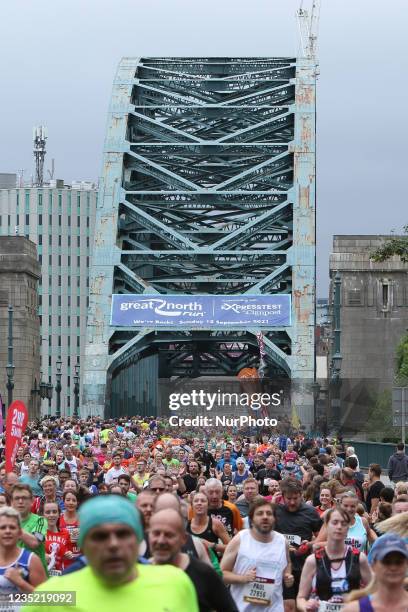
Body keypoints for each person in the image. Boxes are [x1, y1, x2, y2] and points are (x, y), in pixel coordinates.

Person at [31, 495, 199, 612]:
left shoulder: (175, 582)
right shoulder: (51, 596)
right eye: (100, 536)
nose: (113, 544)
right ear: (83, 544)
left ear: (139, 539)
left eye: (123, 534)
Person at [150, 508, 237, 612]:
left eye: (169, 535)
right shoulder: (138, 571)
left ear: (184, 539)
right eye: (156, 533)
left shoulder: (204, 574)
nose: (161, 541)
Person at [221, 498, 294, 611]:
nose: (265, 517)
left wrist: (287, 575)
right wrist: (243, 578)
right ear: (252, 519)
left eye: (269, 513)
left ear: (274, 519)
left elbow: (287, 562)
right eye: (260, 513)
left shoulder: (281, 540)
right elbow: (221, 574)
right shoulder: (240, 539)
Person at [296, 507, 372, 611]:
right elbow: (300, 598)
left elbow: (375, 591)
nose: (339, 527)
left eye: (343, 523)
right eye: (335, 522)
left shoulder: (359, 558)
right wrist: (307, 606)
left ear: (347, 529)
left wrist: (361, 603)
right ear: (326, 526)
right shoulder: (313, 560)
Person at [274, 478, 322, 612]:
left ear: (301, 495)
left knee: (303, 606)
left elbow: (322, 538)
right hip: (282, 567)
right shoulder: (275, 511)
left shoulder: (310, 512)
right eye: (288, 498)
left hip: (304, 567)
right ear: (282, 496)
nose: (292, 502)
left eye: (296, 498)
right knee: (288, 607)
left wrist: (311, 544)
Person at [343, 533, 408, 612]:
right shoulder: (354, 609)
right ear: (373, 566)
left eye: (399, 562)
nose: (393, 567)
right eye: (386, 562)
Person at [0, 506, 46, 601]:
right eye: (3, 527)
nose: (7, 531)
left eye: (12, 527)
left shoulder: (31, 560)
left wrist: (21, 583)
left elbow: (47, 600)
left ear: (20, 532)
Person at [10, 484, 48, 573]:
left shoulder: (40, 521)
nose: (20, 501)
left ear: (32, 501)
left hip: (37, 576)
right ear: (11, 502)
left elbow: (35, 542)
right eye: (17, 498)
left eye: (24, 498)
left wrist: (12, 525)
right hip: (12, 575)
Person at [187, 491, 230, 556]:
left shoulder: (215, 524)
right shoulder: (185, 525)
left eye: (203, 501)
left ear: (208, 505)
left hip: (211, 564)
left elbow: (231, 548)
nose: (199, 503)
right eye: (196, 501)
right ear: (192, 505)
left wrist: (212, 546)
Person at [43, 501, 72, 576]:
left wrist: (68, 555)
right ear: (43, 515)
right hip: (43, 576)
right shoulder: (38, 533)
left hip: (60, 577)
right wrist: (41, 556)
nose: (51, 515)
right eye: (48, 512)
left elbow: (67, 554)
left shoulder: (66, 533)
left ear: (59, 514)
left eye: (54, 512)